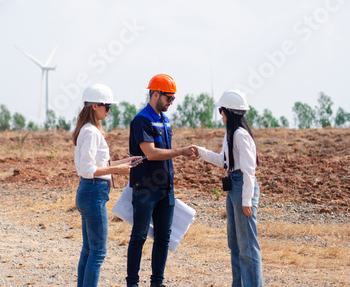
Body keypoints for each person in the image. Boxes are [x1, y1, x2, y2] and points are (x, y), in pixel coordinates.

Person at [126, 74, 197, 287]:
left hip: (166, 188)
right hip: (146, 188)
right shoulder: (142, 120)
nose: (171, 102)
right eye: (169, 98)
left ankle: (157, 282)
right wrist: (182, 151)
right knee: (139, 236)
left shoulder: (164, 120)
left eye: (173, 98)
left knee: (163, 238)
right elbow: (151, 153)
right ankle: (132, 283)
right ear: (155, 93)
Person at [190, 89, 263, 287]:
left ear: (228, 112)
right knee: (235, 244)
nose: (220, 114)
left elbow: (249, 170)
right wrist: (201, 152)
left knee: (247, 245)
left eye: (221, 110)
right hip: (234, 185)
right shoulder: (231, 134)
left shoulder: (240, 135)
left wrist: (247, 200)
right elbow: (224, 160)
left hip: (242, 186)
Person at [73, 83, 142, 287]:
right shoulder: (92, 132)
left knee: (89, 250)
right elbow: (89, 169)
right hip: (93, 191)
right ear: (94, 106)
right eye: (106, 106)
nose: (109, 110)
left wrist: (124, 162)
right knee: (98, 252)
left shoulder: (86, 130)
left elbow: (96, 165)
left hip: (88, 191)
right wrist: (116, 170)